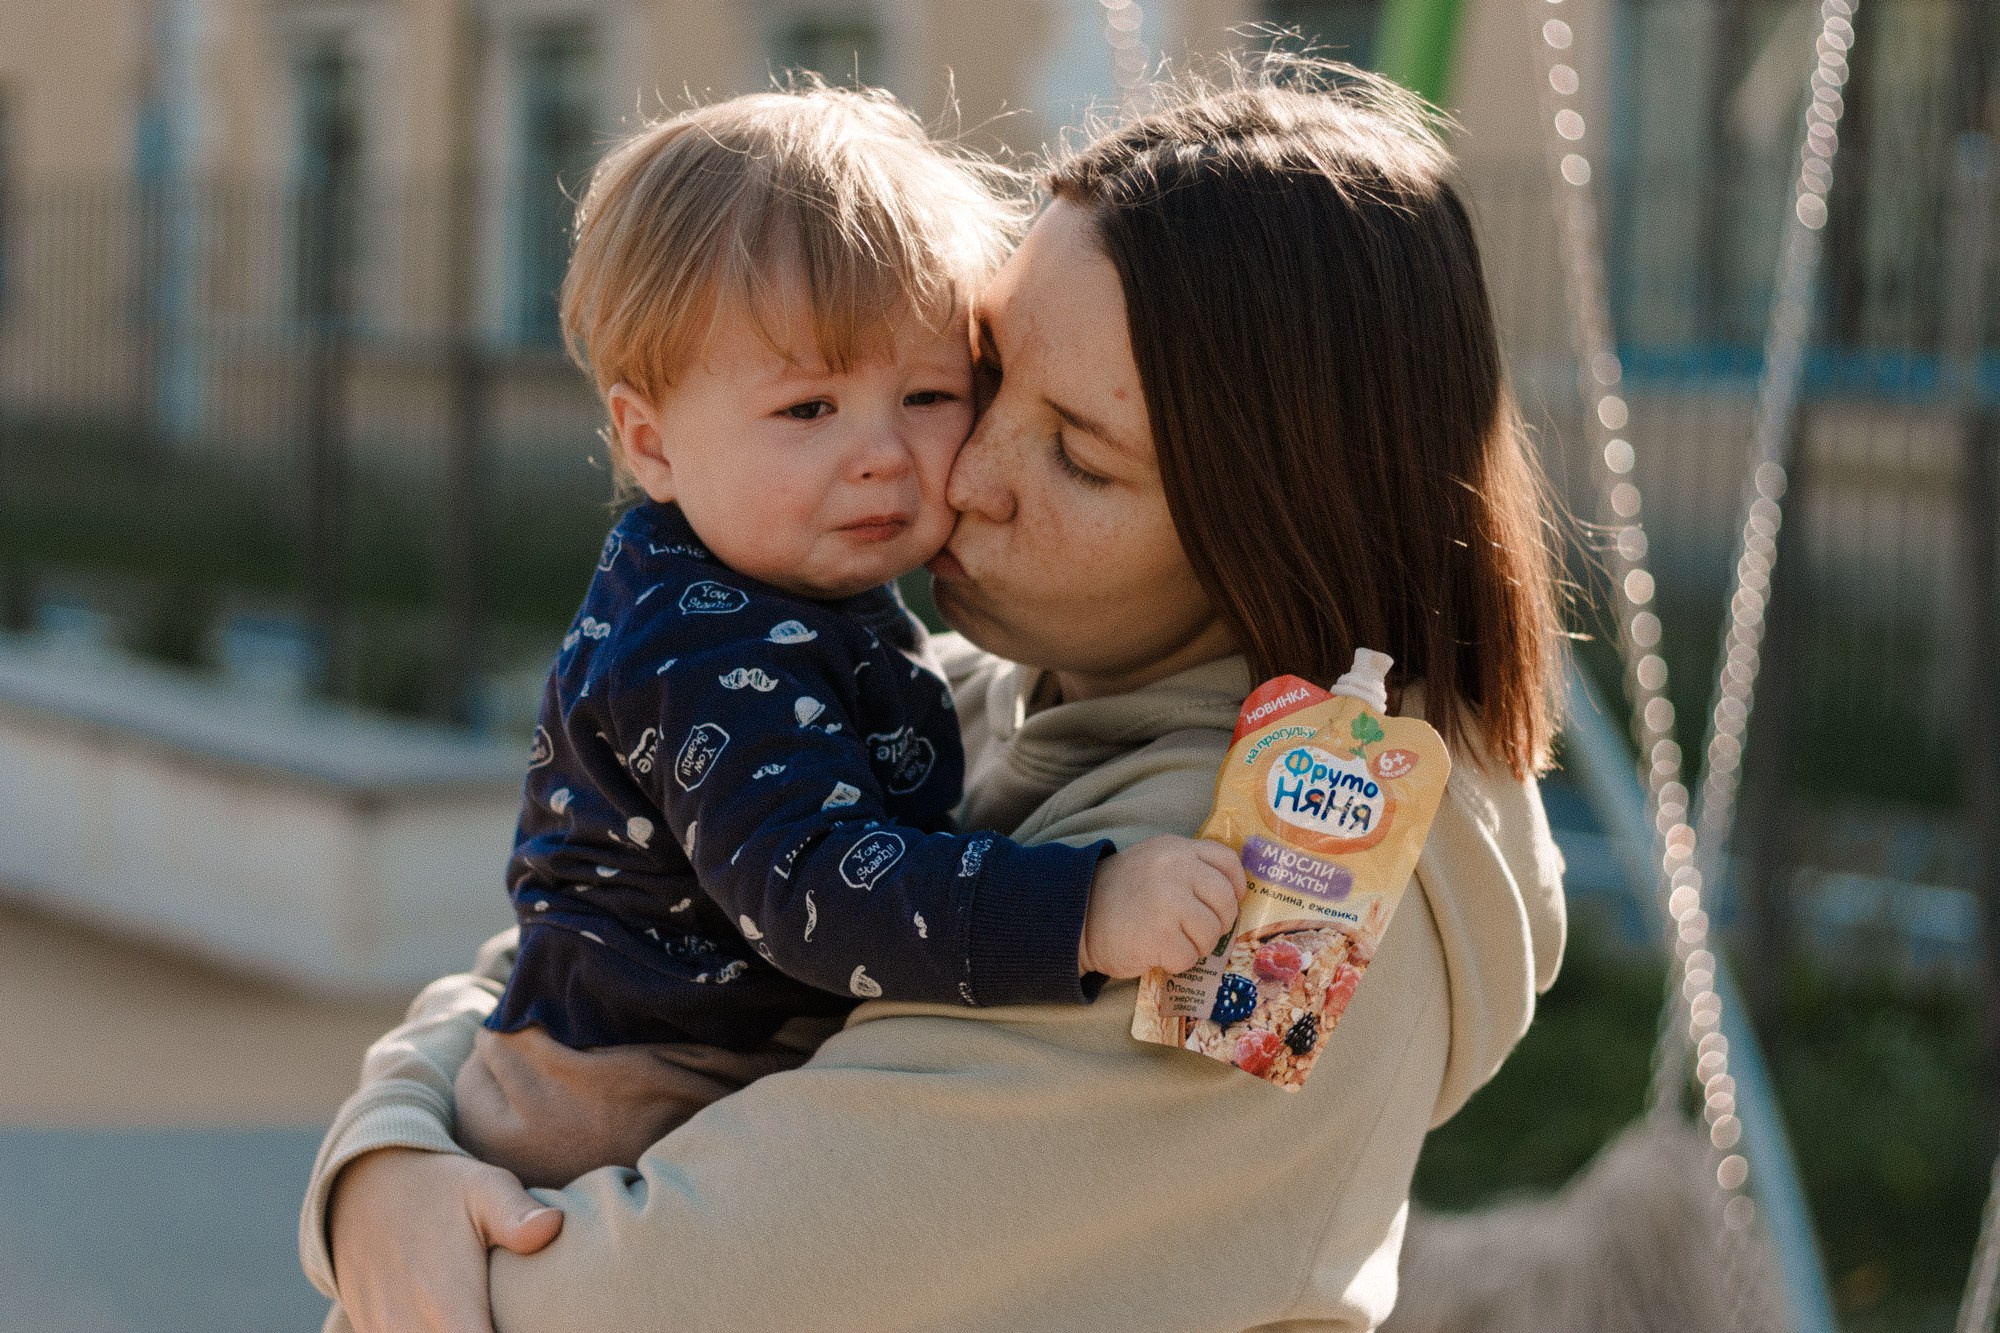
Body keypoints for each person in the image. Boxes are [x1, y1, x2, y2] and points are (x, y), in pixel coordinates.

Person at [302, 60, 1568, 1332]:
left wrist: (416, 1221)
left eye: (1076, 453)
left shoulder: (1265, 881)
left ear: (1280, 521)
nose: (954, 472)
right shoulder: (980, 691)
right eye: (986, 373)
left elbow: (646, 1295)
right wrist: (390, 1160)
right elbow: (586, 926)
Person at [451, 86, 1246, 1189]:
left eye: (927, 393)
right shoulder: (697, 648)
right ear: (652, 443)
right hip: (625, 1096)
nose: (882, 453)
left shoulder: (789, 589)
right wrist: (1086, 910)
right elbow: (815, 885)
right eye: (808, 410)